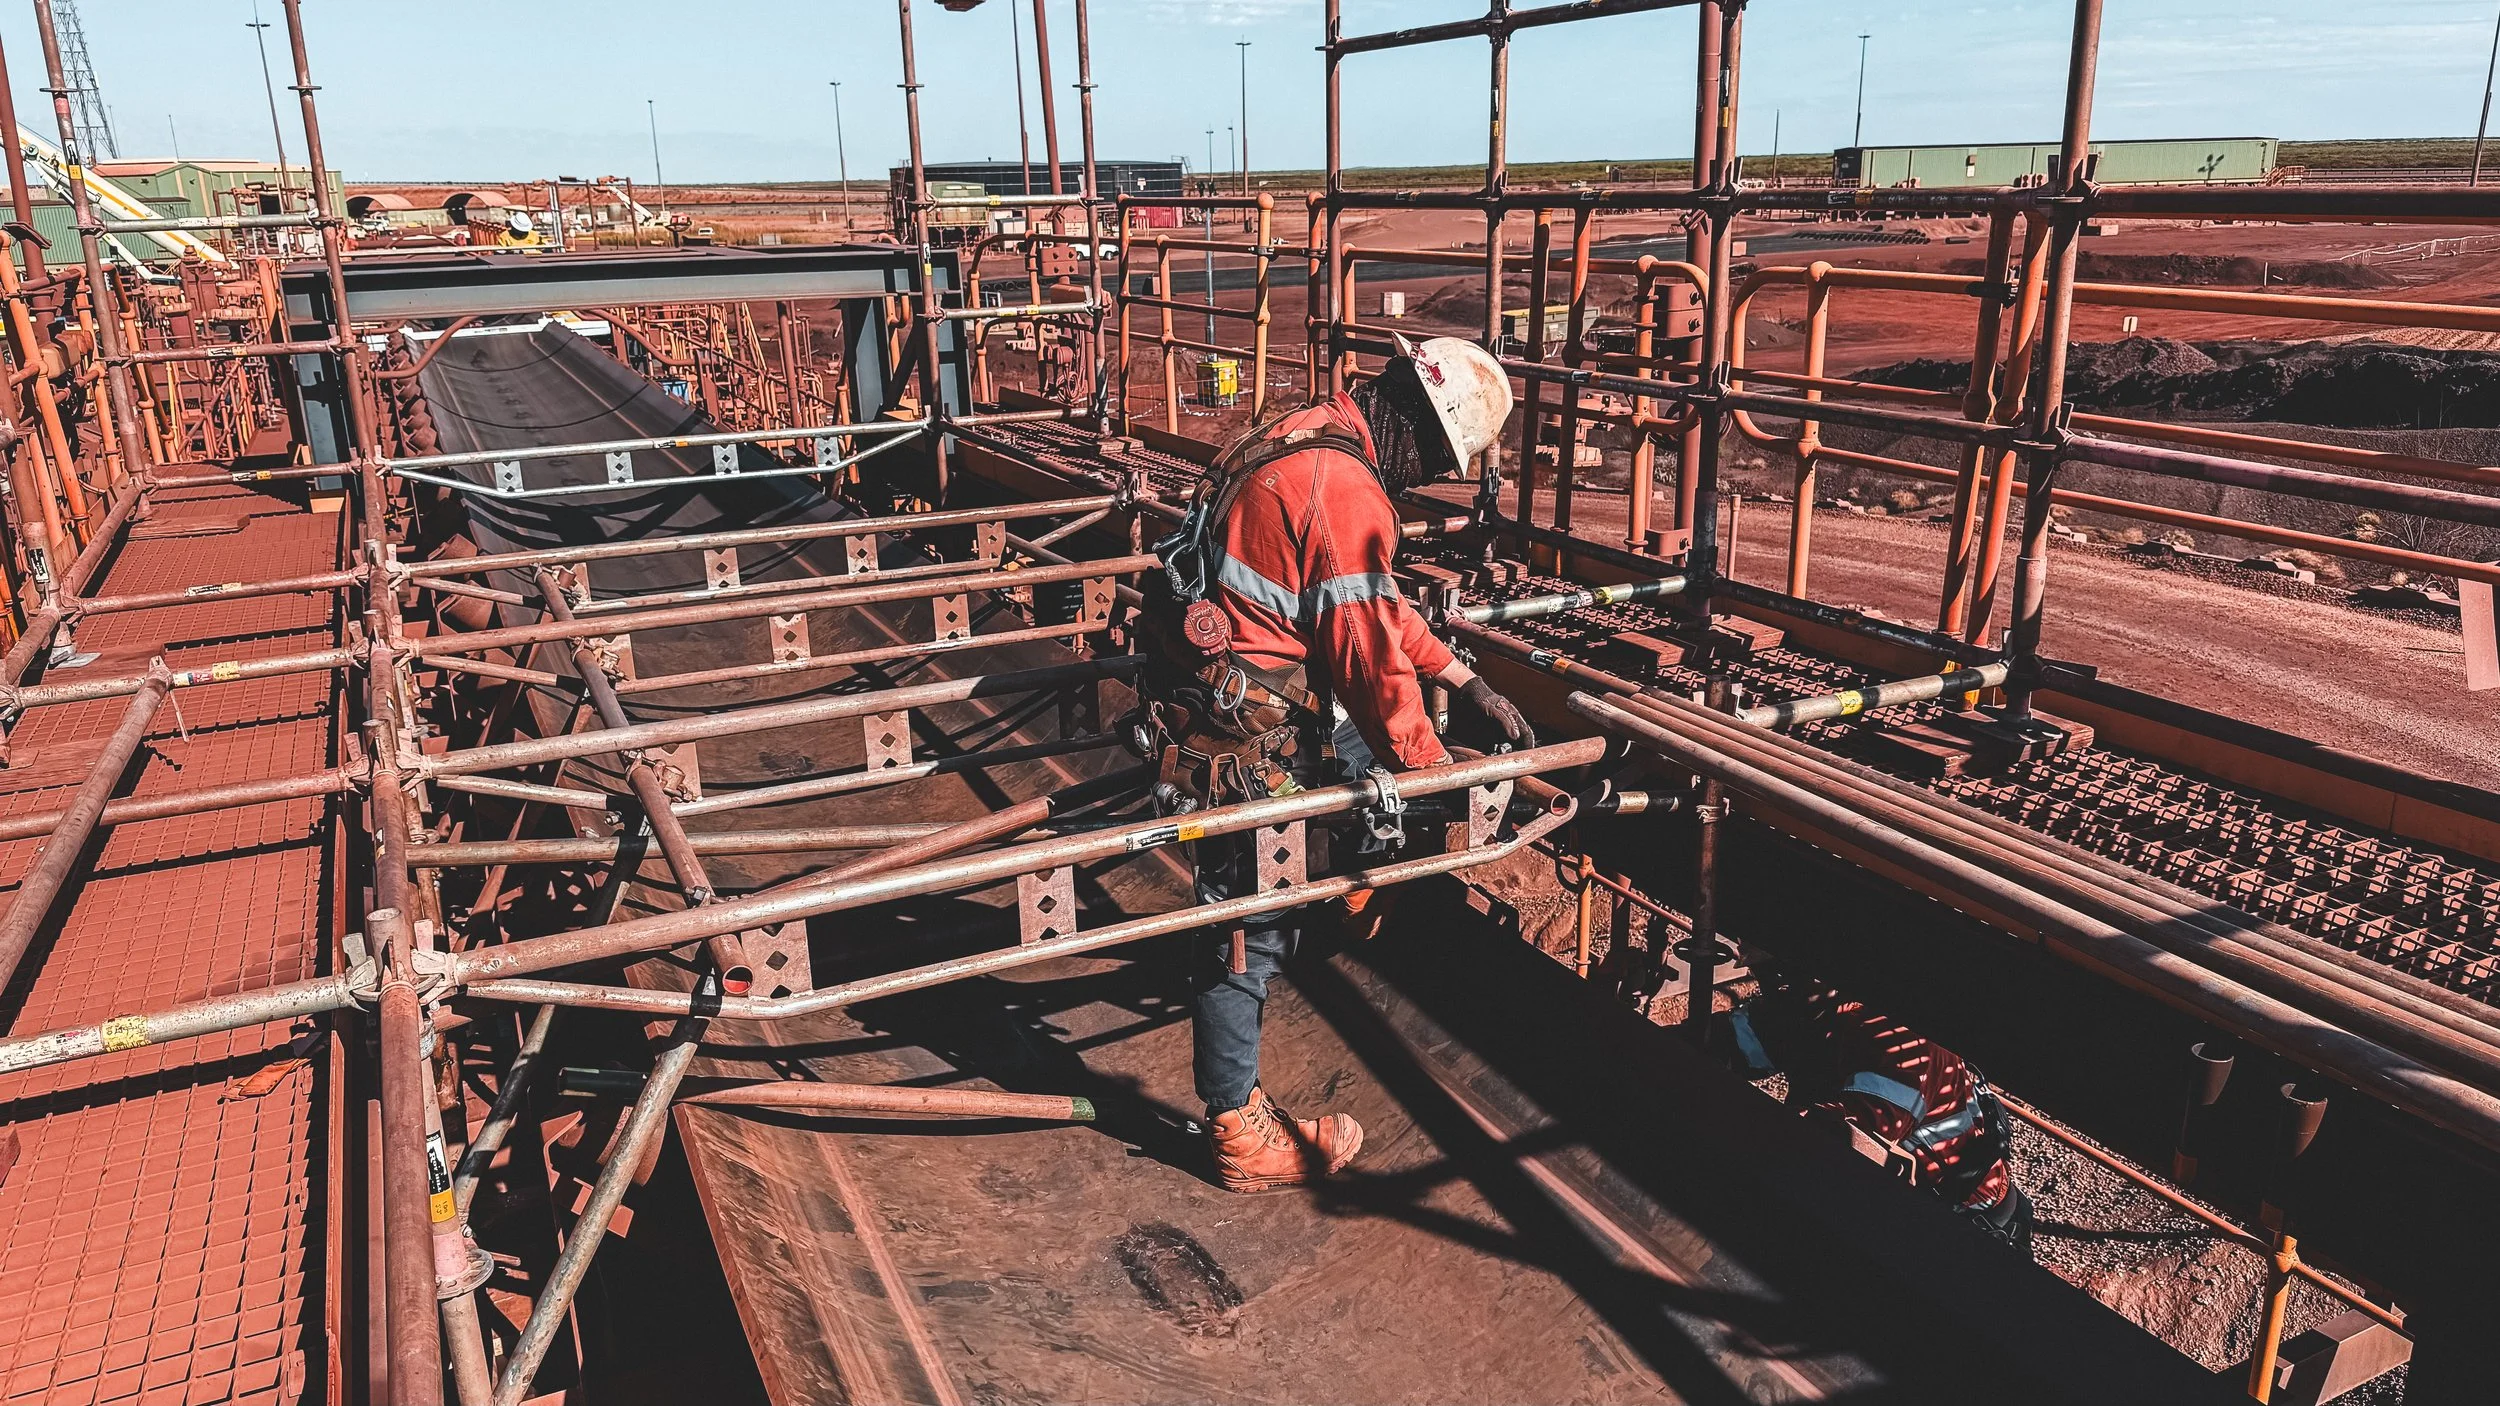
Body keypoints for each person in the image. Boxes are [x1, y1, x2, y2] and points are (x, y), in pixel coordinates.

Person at [1140, 335, 1535, 1192]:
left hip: (1225, 682)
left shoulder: (1312, 428)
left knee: (1365, 775)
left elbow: (1370, 603)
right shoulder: (1349, 489)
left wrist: (1461, 677)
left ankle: (1348, 870)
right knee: (1245, 915)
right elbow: (1369, 663)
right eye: (1436, 462)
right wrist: (1439, 773)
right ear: (1427, 436)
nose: (1426, 478)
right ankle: (1235, 1122)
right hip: (1237, 725)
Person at [1726, 959, 2034, 1251]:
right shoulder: (1808, 1009)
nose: (1775, 988)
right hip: (1919, 1209)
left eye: (1783, 976)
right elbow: (1740, 1040)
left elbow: (1840, 1144)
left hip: (1963, 1231)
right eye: (1764, 974)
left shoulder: (1897, 1044)